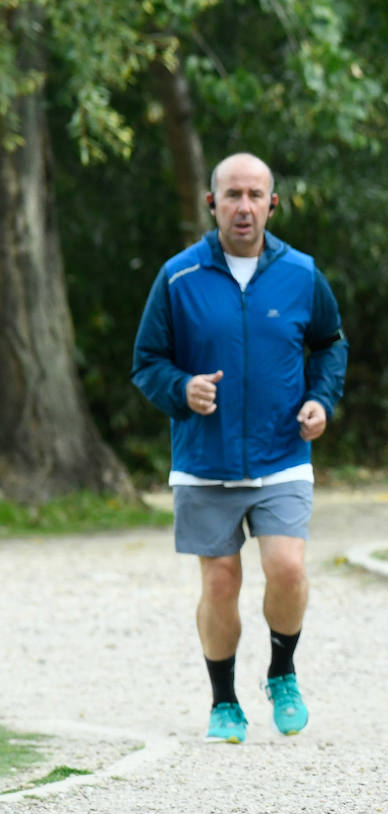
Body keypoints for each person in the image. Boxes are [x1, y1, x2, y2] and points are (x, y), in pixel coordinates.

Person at [131, 152, 348, 744]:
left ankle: (281, 670)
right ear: (213, 204)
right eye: (233, 195)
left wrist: (320, 401)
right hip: (205, 461)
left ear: (272, 203)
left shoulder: (302, 274)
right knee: (221, 582)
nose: (244, 206)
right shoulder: (178, 278)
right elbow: (147, 362)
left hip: (282, 454)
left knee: (288, 566)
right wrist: (182, 388)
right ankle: (223, 700)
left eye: (255, 195)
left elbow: (331, 344)